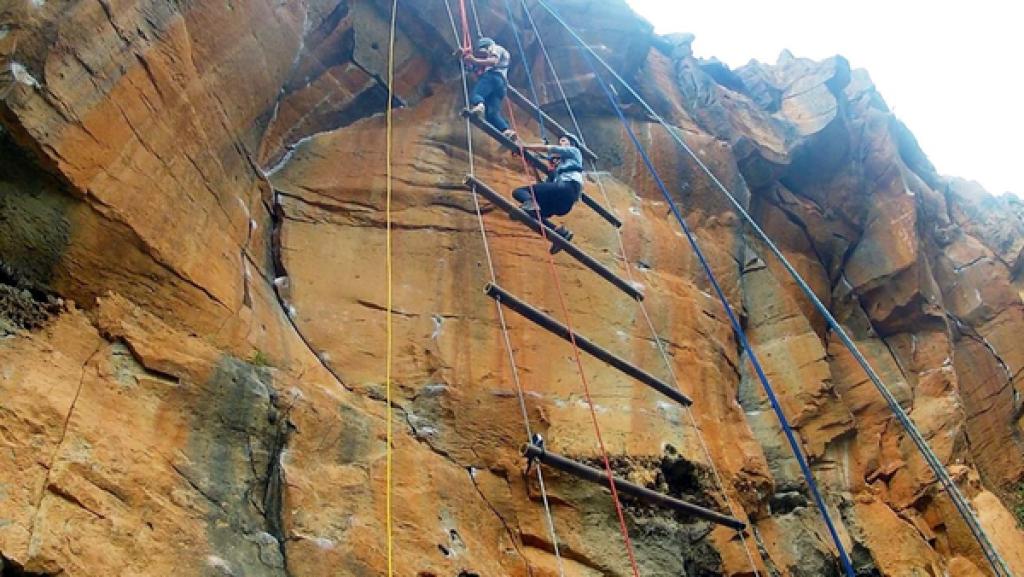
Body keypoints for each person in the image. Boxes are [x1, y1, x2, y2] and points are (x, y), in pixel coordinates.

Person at [512, 134, 585, 253]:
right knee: (533, 215)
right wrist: (533, 167)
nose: (560, 143)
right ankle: (559, 232)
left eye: (563, 140)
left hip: (567, 188)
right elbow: (543, 187)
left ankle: (531, 204)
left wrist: (524, 146)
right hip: (564, 201)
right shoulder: (558, 171)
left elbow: (550, 148)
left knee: (519, 192)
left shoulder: (574, 151)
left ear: (572, 143)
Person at [462, 37, 515, 140]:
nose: (485, 53)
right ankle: (506, 130)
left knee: (476, 95)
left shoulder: (495, 48)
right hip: (501, 86)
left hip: (493, 77)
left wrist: (474, 60)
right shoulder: (502, 56)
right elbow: (475, 69)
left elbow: (493, 61)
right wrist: (467, 60)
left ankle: (480, 106)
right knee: (491, 114)